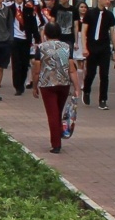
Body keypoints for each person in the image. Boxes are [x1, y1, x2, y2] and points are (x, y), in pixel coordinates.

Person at [31, 22, 81, 154]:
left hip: (47, 84)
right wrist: (77, 87)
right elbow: (72, 69)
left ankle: (56, 143)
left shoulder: (41, 48)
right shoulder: (66, 47)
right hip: (63, 83)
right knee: (58, 111)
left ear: (46, 34)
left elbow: (37, 69)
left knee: (52, 114)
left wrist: (34, 86)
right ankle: (59, 133)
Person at [81, 0, 115, 109]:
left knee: (104, 75)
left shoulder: (110, 15)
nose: (108, 1)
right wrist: (85, 47)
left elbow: (112, 33)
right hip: (92, 46)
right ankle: (86, 91)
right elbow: (84, 32)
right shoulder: (90, 14)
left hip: (104, 47)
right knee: (91, 73)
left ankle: (103, 99)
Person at [10, 0, 42, 96]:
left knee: (24, 64)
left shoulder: (28, 9)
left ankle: (22, 82)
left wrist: (37, 38)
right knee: (16, 63)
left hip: (26, 39)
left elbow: (33, 25)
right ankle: (17, 86)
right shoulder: (10, 9)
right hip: (14, 39)